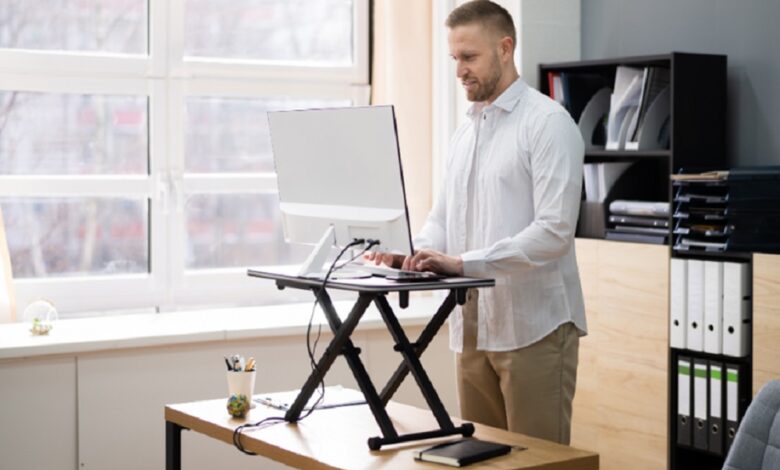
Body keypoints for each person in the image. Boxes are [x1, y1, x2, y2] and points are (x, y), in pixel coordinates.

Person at [368, 0, 586, 444]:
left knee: (536, 461)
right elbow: (444, 219)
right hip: (470, 327)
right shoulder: (465, 132)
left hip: (533, 330)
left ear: (505, 49)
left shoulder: (548, 124)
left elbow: (554, 232)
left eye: (469, 57)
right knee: (480, 457)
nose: (459, 71)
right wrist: (410, 251)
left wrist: (463, 263)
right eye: (454, 58)